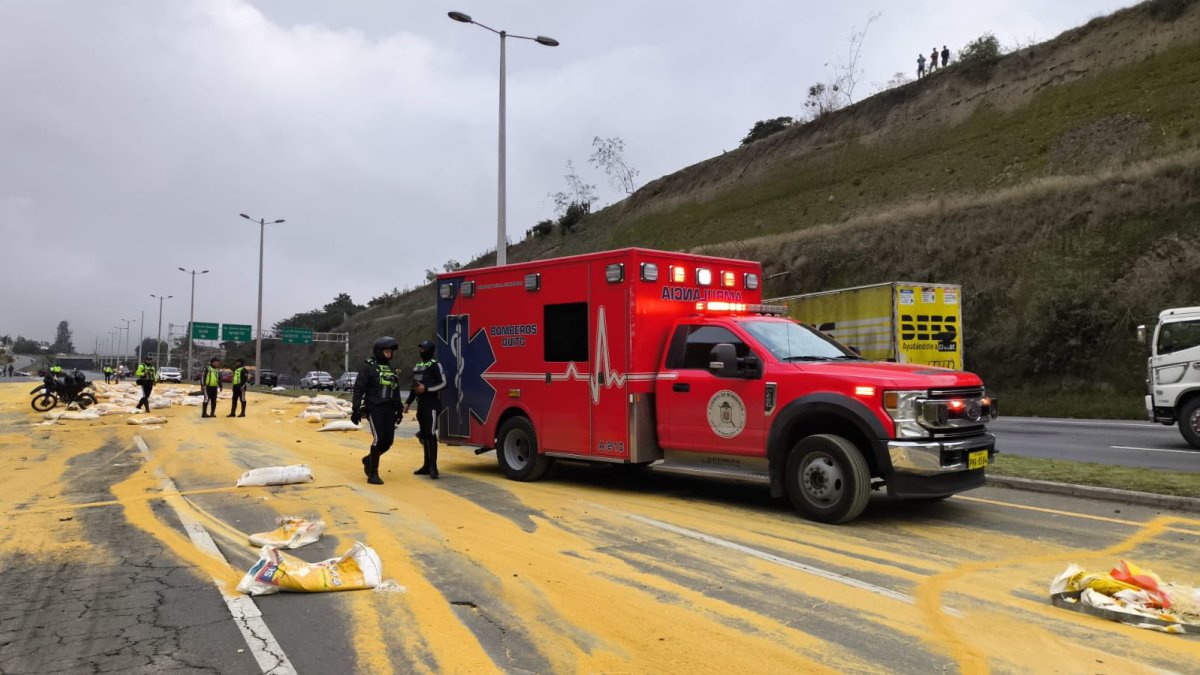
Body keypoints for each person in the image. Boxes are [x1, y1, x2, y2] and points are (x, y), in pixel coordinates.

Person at [351, 337, 403, 485]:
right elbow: (358, 389)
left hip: (390, 409)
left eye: (391, 352)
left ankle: (368, 460)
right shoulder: (368, 368)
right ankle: (373, 474)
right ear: (379, 351)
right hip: (374, 408)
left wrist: (399, 409)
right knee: (378, 439)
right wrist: (355, 410)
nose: (389, 355)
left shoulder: (391, 369)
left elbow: (396, 390)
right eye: (387, 351)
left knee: (388, 442)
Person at [405, 339, 447, 479]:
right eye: (420, 349)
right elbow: (414, 386)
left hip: (432, 405)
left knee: (430, 434)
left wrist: (427, 389)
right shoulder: (418, 366)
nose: (421, 351)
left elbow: (443, 383)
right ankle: (426, 465)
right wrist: (407, 402)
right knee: (423, 434)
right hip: (421, 406)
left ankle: (433, 468)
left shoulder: (435, 365)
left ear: (429, 350)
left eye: (423, 349)